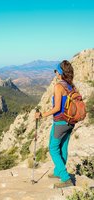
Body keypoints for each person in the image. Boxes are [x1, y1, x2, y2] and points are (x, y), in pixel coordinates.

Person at [35, 60, 75, 188]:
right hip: (70, 122)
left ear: (61, 72)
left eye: (56, 71)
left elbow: (57, 107)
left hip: (61, 122)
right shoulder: (71, 85)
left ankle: (65, 177)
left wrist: (42, 115)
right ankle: (58, 171)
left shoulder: (59, 86)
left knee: (53, 148)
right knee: (63, 147)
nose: (55, 73)